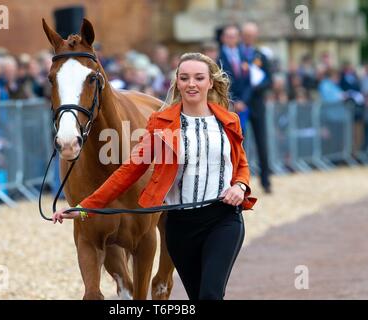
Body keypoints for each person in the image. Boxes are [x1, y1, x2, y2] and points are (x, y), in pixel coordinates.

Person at [52, 52, 257, 300]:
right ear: (177, 83)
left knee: (211, 295)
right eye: (185, 78)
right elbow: (129, 171)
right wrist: (84, 207)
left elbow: (241, 165)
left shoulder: (228, 120)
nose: (191, 83)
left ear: (210, 82)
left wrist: (240, 185)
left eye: (199, 77)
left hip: (223, 219)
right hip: (181, 226)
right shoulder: (162, 124)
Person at [240, 22, 273, 194]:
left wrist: (256, 86)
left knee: (262, 143)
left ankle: (266, 181)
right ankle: (241, 182)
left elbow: (270, 80)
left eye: (251, 35)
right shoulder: (237, 54)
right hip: (240, 105)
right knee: (240, 145)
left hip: (257, 104)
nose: (248, 38)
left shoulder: (261, 55)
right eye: (246, 34)